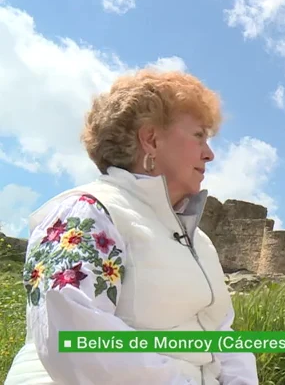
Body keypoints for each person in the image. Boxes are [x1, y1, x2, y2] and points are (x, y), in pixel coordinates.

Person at [4, 69, 259, 385]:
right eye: (198, 136)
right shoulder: (88, 211)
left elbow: (221, 332)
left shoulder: (200, 242)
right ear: (151, 139)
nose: (209, 153)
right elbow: (74, 335)